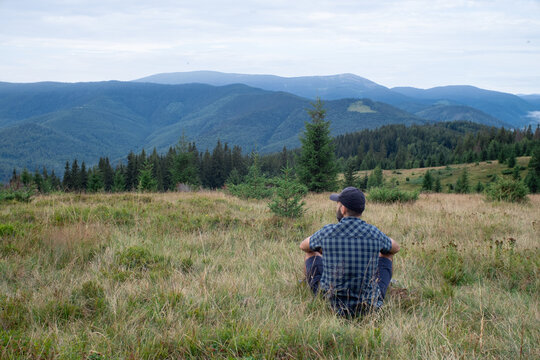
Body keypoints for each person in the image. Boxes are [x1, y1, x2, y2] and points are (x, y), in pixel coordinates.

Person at [299, 186, 399, 317]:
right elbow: (395, 248)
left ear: (343, 208)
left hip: (331, 304)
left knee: (311, 253)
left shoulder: (327, 232)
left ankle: (318, 296)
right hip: (369, 305)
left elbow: (303, 246)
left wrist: (324, 251)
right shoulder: (374, 233)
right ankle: (379, 295)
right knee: (387, 254)